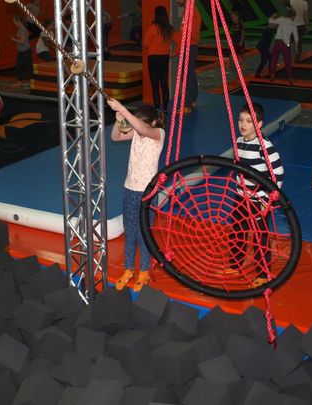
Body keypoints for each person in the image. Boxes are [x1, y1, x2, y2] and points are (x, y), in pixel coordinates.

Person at [107, 99, 165, 293]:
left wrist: (123, 109)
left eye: (142, 122)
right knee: (129, 231)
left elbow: (141, 128)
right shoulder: (137, 134)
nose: (137, 125)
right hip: (129, 188)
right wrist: (119, 119)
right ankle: (128, 269)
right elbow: (115, 137)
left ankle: (144, 271)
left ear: (153, 122)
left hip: (147, 191)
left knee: (143, 232)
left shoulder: (158, 134)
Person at [232, 103, 284, 287]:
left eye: (249, 121)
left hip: (259, 199)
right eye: (241, 120)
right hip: (241, 196)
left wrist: (267, 199)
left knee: (259, 237)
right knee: (237, 231)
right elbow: (240, 168)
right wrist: (239, 187)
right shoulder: (239, 141)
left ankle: (263, 273)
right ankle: (235, 264)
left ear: (259, 124)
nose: (243, 124)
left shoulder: (264, 146)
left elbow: (277, 175)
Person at [143, 6, 179, 112]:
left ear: (156, 15)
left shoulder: (153, 28)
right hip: (164, 58)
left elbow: (145, 44)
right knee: (164, 83)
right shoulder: (169, 29)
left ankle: (157, 109)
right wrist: (173, 54)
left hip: (153, 59)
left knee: (155, 85)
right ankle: (166, 109)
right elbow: (181, 43)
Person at [177, 0, 201, 113]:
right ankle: (192, 100)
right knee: (190, 74)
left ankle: (187, 105)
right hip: (189, 45)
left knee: (187, 75)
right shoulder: (188, 10)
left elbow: (189, 32)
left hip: (189, 46)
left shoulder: (191, 11)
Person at [269, 8, 298, 85]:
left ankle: (272, 74)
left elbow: (270, 21)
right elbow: (296, 38)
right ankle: (290, 78)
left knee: (274, 60)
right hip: (286, 44)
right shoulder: (293, 24)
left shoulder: (281, 19)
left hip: (277, 42)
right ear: (293, 16)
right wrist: (296, 48)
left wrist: (273, 16)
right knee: (288, 62)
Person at [11, 15, 32, 88]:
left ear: (18, 21)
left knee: (28, 67)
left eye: (14, 21)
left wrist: (14, 39)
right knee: (18, 66)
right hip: (22, 51)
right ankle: (20, 81)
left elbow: (22, 41)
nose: (13, 23)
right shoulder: (20, 29)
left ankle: (33, 82)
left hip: (25, 51)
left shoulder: (22, 29)